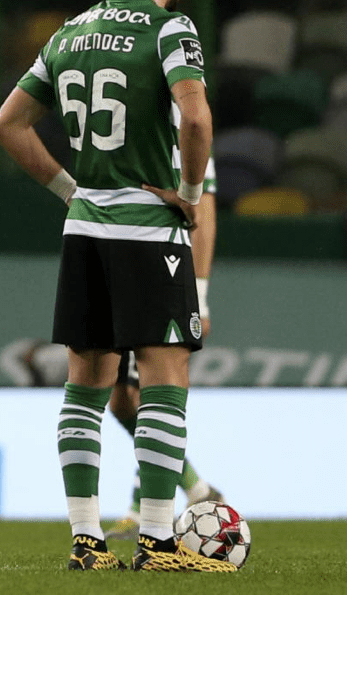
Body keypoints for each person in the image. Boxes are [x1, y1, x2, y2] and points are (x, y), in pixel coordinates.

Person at [0, 0, 236, 572]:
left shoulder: (69, 33)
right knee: (165, 374)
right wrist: (188, 194)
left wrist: (72, 192)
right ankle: (158, 541)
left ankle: (86, 540)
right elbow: (196, 117)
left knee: (87, 382)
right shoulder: (171, 28)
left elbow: (7, 126)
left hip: (84, 230)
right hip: (145, 228)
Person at [105, 156, 224, 539]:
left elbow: (204, 214)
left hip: (166, 275)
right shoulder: (129, 125)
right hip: (123, 271)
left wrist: (200, 296)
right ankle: (198, 489)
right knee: (120, 402)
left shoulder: (186, 128)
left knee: (147, 395)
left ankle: (143, 511)